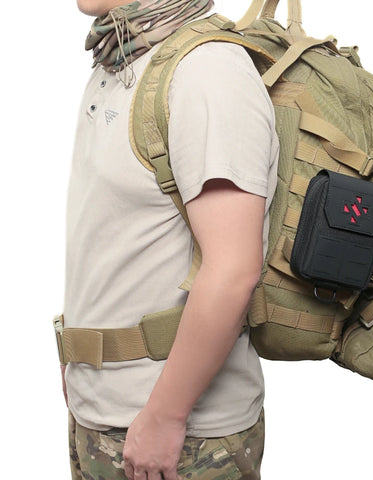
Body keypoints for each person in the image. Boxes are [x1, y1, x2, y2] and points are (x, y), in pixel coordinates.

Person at [60, 0, 279, 479]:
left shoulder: (207, 72)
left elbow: (233, 269)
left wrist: (166, 415)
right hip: (104, 416)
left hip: (180, 438)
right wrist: (79, 364)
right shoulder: (120, 57)